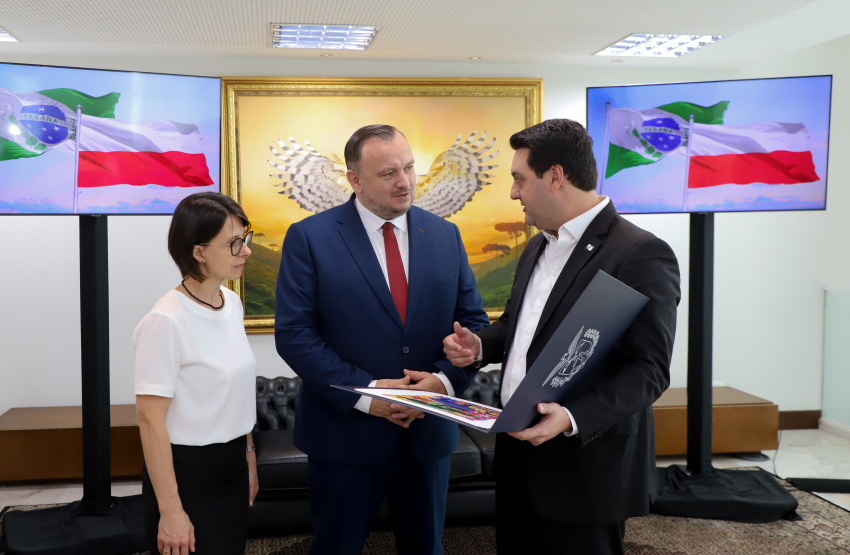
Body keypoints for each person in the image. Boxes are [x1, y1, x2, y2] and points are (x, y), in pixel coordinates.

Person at [443, 119, 681, 554]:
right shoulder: (536, 245)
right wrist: (481, 345)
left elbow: (648, 369)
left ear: (555, 177)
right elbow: (519, 325)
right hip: (516, 455)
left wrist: (571, 417)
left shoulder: (639, 253)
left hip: (584, 467)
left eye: (519, 179)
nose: (513, 192)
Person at [274, 124, 489, 555]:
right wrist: (368, 393)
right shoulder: (309, 237)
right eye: (389, 173)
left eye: (409, 168)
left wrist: (443, 384)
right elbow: (295, 336)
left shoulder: (445, 234)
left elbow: (474, 324)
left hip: (428, 434)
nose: (405, 182)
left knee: (427, 548)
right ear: (354, 179)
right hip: (345, 436)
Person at [134, 192, 259, 555]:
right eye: (234, 243)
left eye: (245, 238)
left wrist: (248, 455)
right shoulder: (165, 320)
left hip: (233, 466)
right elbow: (149, 421)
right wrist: (171, 510)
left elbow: (235, 391)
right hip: (188, 476)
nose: (246, 251)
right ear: (198, 251)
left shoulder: (230, 303)